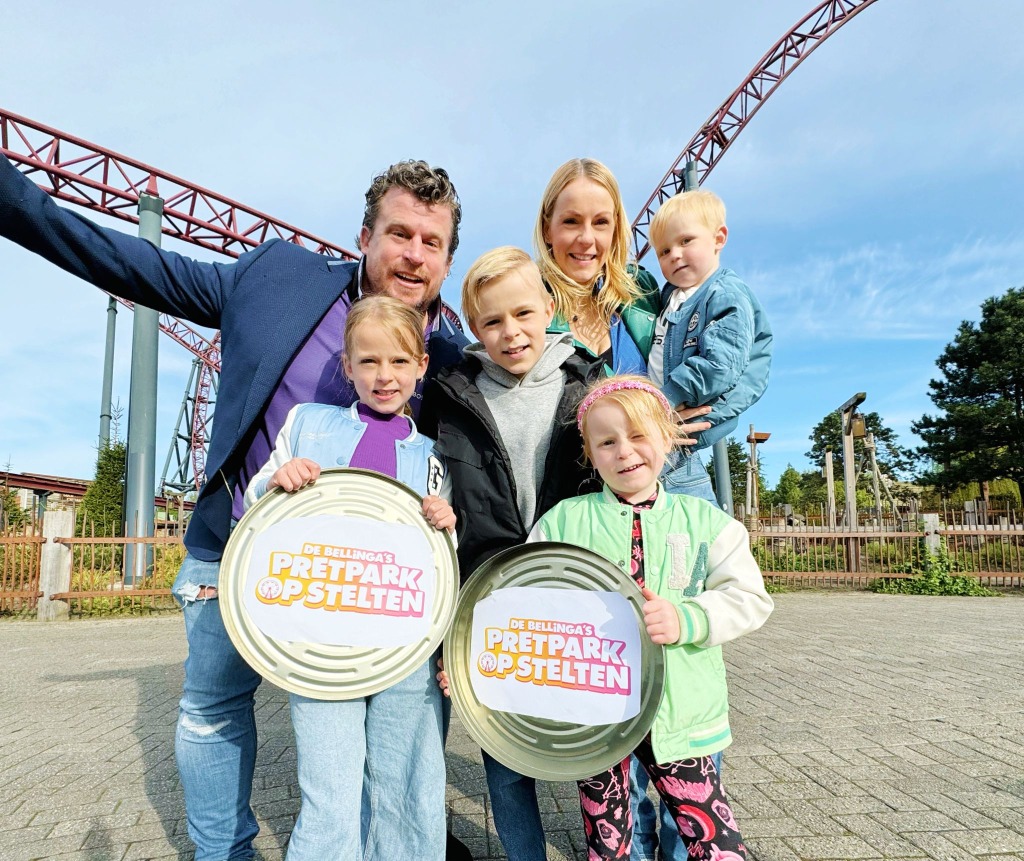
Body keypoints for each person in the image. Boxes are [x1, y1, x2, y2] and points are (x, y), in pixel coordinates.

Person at [0, 154, 468, 860]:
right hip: (235, 549)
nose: (414, 254)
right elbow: (138, 266)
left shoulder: (451, 362)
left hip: (368, 591)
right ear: (364, 236)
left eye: (432, 242)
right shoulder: (278, 279)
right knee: (213, 704)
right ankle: (224, 852)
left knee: (379, 732)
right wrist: (12, 200)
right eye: (399, 233)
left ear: (447, 260)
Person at [535, 157, 714, 860]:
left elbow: (736, 347)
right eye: (571, 221)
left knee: (680, 685)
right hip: (589, 510)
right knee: (609, 688)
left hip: (674, 496)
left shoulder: (646, 296)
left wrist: (713, 417)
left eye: (601, 222)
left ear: (618, 230)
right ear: (547, 227)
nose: (586, 237)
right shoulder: (533, 306)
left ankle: (684, 844)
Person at [528, 376, 773, 861]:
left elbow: (749, 598)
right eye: (607, 442)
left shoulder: (707, 522)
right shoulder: (562, 522)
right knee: (609, 843)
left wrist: (688, 619)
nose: (624, 451)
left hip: (681, 713)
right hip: (597, 718)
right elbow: (530, 602)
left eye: (639, 435)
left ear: (667, 437)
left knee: (714, 841)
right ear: (589, 453)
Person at [243, 296, 455, 860]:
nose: (384, 376)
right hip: (321, 644)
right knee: (329, 785)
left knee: (410, 778)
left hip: (405, 646)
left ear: (421, 366)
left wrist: (446, 523)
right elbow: (256, 503)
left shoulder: (434, 455)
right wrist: (277, 479)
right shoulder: (307, 424)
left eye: (399, 361)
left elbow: (442, 563)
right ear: (348, 366)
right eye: (368, 361)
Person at [422, 246, 604, 861]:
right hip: (491, 592)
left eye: (523, 313)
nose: (511, 332)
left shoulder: (588, 383)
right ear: (474, 327)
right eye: (492, 321)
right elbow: (438, 489)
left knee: (593, 743)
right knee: (503, 751)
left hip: (574, 590)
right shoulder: (452, 395)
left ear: (549, 308)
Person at [647, 188, 773, 505]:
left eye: (686, 241)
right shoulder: (674, 297)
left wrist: (665, 398)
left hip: (681, 418)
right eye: (663, 251)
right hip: (663, 420)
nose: (674, 254)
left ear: (718, 239)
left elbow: (720, 364)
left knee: (691, 512)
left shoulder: (723, 293)